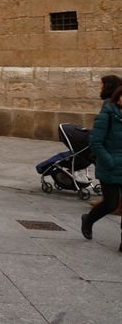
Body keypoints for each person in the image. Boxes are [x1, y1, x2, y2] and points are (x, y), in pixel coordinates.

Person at [80, 85, 122, 252]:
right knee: (111, 204)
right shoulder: (107, 116)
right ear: (118, 97)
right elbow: (95, 142)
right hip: (110, 167)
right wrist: (109, 160)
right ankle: (89, 220)